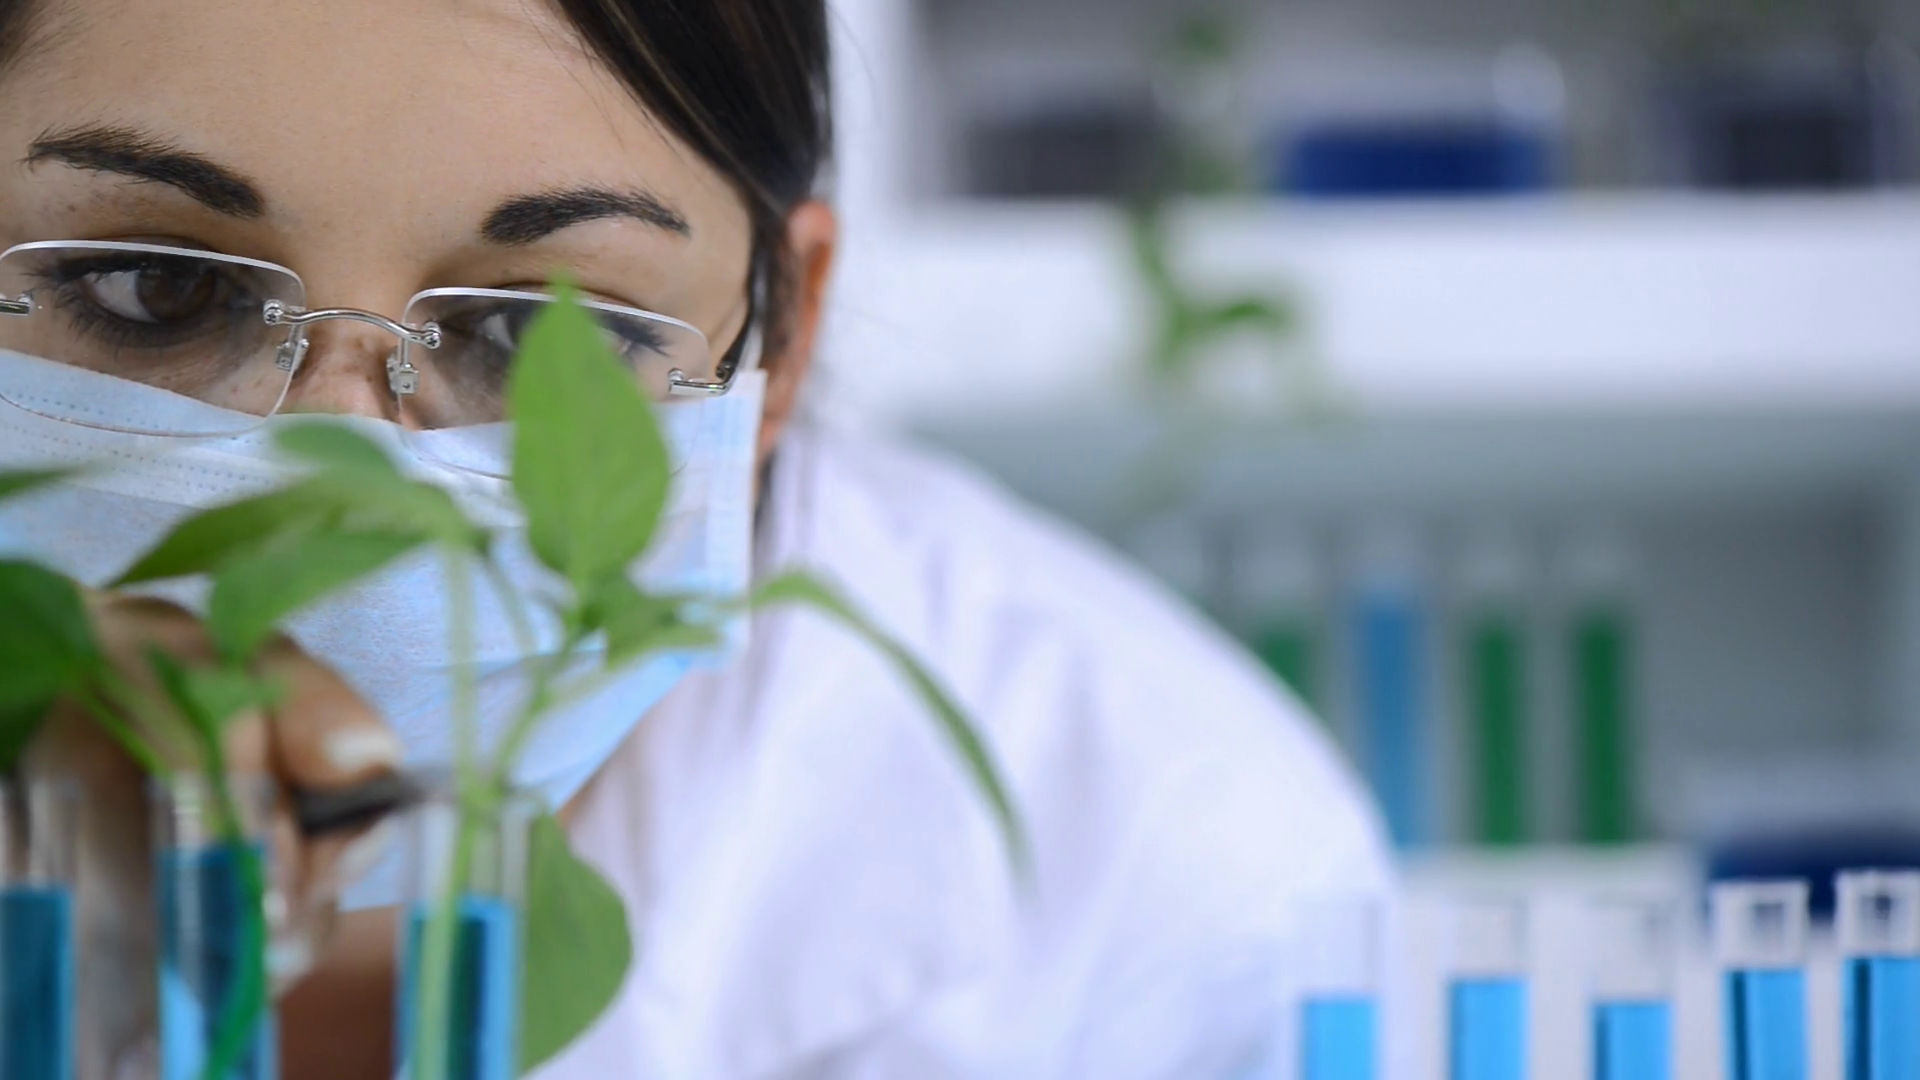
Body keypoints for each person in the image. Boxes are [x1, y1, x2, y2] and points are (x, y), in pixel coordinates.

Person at [0, 0, 1391, 1076]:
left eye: (537, 335)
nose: (345, 475)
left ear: (779, 342)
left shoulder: (1163, 856)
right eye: (149, 288)